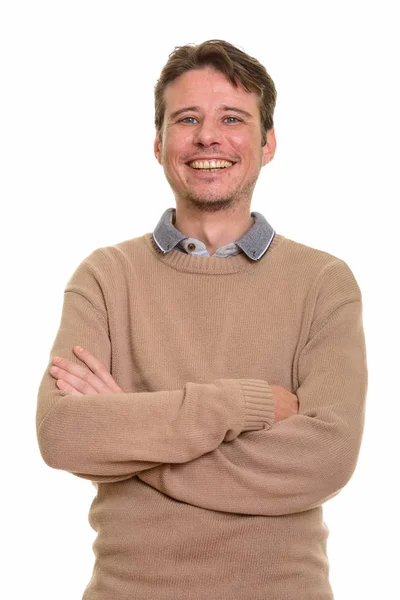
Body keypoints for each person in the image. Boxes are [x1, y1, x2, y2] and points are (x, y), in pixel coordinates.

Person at [36, 39, 368, 599]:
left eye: (232, 119)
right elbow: (62, 435)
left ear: (267, 144)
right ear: (160, 144)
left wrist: (128, 436)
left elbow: (327, 459)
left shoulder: (323, 283)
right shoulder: (105, 276)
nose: (207, 137)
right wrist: (245, 404)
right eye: (187, 119)